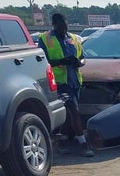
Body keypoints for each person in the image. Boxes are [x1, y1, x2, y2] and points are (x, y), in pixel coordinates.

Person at [38, 13, 93, 157]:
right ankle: (83, 143)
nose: (63, 30)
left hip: (74, 81)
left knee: (69, 114)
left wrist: (78, 62)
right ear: (54, 25)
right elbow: (43, 62)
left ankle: (62, 140)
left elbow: (83, 57)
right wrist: (62, 62)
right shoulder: (45, 39)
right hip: (59, 83)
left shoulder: (73, 38)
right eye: (60, 27)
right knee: (74, 110)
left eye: (65, 26)